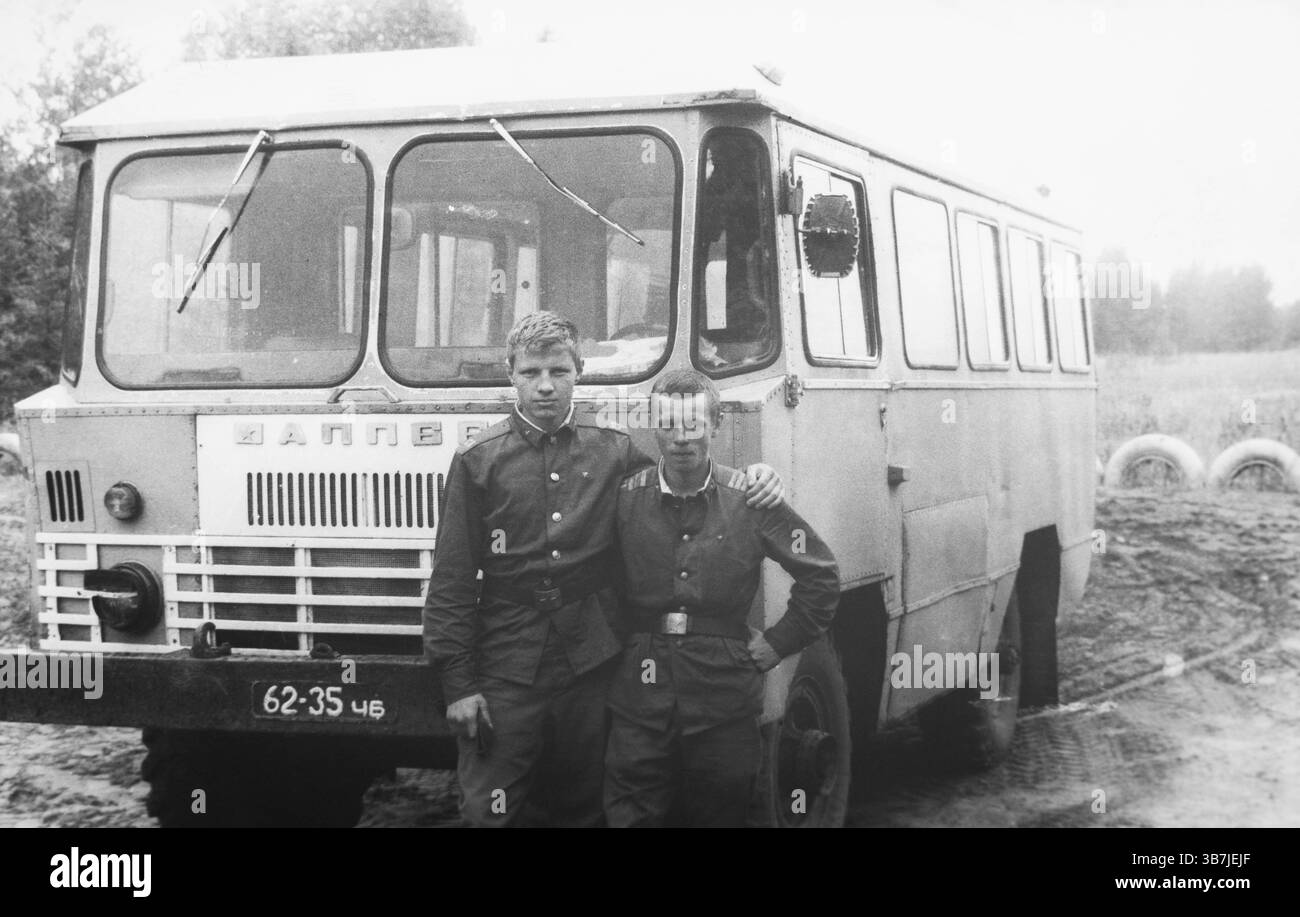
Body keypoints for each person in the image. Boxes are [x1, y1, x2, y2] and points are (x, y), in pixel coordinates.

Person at [422, 312, 783, 827]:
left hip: (591, 662)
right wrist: (458, 684)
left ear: (579, 371)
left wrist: (753, 477)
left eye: (559, 371)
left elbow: (680, 485)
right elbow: (453, 579)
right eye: (530, 373)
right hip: (506, 661)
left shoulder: (612, 449)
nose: (545, 386)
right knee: (487, 808)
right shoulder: (478, 461)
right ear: (510, 374)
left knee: (587, 805)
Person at [604, 369, 839, 828]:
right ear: (655, 428)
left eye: (693, 425)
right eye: (669, 426)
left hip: (724, 695)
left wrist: (778, 643)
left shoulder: (749, 499)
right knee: (631, 813)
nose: (681, 439)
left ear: (716, 425)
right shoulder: (626, 500)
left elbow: (821, 576)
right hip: (640, 694)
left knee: (722, 808)